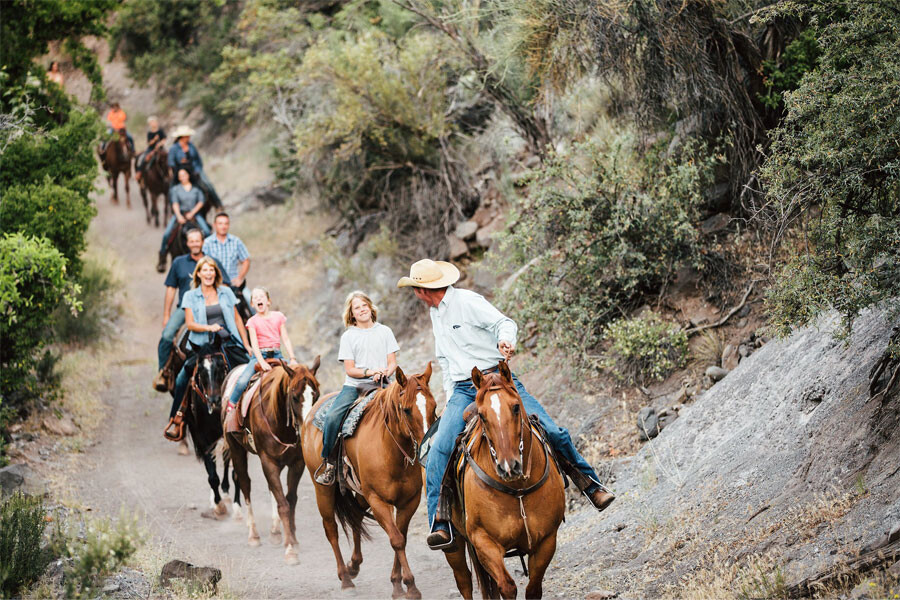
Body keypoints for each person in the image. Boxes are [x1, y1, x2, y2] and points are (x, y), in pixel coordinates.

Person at [397, 259, 616, 550]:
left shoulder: (466, 301)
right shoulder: (435, 314)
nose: (415, 293)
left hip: (499, 380)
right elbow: (446, 361)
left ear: (425, 290)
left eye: (416, 288)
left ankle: (589, 484)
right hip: (465, 388)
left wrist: (505, 341)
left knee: (550, 429)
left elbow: (504, 322)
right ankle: (440, 519)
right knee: (438, 448)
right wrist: (452, 400)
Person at [314, 292, 400, 485]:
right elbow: (350, 369)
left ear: (370, 307)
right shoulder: (349, 336)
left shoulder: (385, 331)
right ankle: (329, 464)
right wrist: (371, 372)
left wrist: (386, 371)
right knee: (333, 416)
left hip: (385, 382)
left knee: (410, 408)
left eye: (364, 306)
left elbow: (393, 362)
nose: (361, 310)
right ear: (351, 314)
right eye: (356, 308)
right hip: (356, 386)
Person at [169, 257, 251, 428]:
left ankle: (250, 417)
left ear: (216, 273)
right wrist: (209, 328)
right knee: (182, 377)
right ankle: (177, 419)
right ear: (198, 273)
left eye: (212, 270)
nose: (209, 273)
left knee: (249, 370)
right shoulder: (190, 296)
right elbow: (190, 324)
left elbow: (237, 319)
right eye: (205, 270)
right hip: (203, 346)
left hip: (228, 342)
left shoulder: (226, 292)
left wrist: (247, 345)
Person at [155, 229, 231, 382]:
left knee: (232, 334)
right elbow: (171, 288)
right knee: (167, 335)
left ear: (202, 242)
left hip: (210, 306)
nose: (195, 244)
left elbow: (224, 284)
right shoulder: (178, 262)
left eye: (198, 241)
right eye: (192, 241)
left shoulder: (212, 261)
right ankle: (163, 373)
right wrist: (166, 315)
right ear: (187, 243)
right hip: (186, 307)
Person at [224, 287, 300, 433]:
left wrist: (292, 358)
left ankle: (296, 413)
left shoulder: (278, 317)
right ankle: (231, 409)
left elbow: (285, 338)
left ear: (268, 301)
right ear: (252, 304)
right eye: (255, 298)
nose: (259, 299)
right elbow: (255, 345)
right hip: (260, 356)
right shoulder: (252, 322)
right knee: (242, 381)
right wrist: (262, 362)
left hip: (277, 354)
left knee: (294, 379)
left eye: (262, 296)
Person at [157, 168, 211, 271]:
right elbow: (175, 203)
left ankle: (212, 255)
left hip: (194, 214)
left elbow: (200, 202)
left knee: (207, 232)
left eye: (184, 175)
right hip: (180, 214)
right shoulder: (175, 189)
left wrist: (192, 213)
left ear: (188, 175)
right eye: (180, 175)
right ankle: (162, 258)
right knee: (167, 234)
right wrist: (179, 216)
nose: (182, 177)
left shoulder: (196, 189)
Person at [202, 213, 253, 313]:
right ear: (215, 225)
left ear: (229, 225)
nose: (223, 226)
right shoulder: (207, 243)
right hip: (213, 283)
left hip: (233, 282)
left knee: (252, 301)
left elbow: (246, 260)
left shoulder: (236, 241)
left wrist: (239, 278)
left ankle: (257, 326)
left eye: (226, 224)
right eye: (220, 223)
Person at [167, 125, 222, 209]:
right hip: (180, 171)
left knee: (207, 184)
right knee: (172, 189)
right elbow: (171, 163)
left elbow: (198, 160)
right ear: (182, 137)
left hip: (195, 170)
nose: (189, 137)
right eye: (187, 136)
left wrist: (197, 170)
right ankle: (173, 208)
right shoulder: (174, 148)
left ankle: (217, 204)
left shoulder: (191, 146)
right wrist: (180, 168)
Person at [135, 116, 166, 181]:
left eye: (154, 122)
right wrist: (154, 140)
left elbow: (164, 139)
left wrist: (160, 144)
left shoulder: (160, 131)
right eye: (152, 122)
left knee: (166, 157)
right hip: (151, 149)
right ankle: (139, 172)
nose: (154, 123)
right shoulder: (150, 133)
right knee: (144, 158)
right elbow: (149, 143)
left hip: (160, 148)